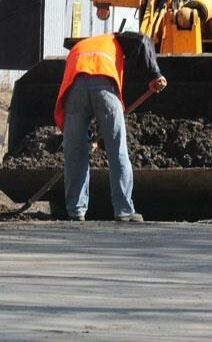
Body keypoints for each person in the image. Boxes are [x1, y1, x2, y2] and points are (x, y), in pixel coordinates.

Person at [54, 32, 167, 222]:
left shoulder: (79, 48)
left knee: (75, 153)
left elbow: (79, 91)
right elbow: (143, 41)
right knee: (117, 150)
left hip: (74, 90)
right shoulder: (114, 38)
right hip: (104, 87)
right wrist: (155, 74)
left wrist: (88, 135)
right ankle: (123, 210)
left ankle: (76, 210)